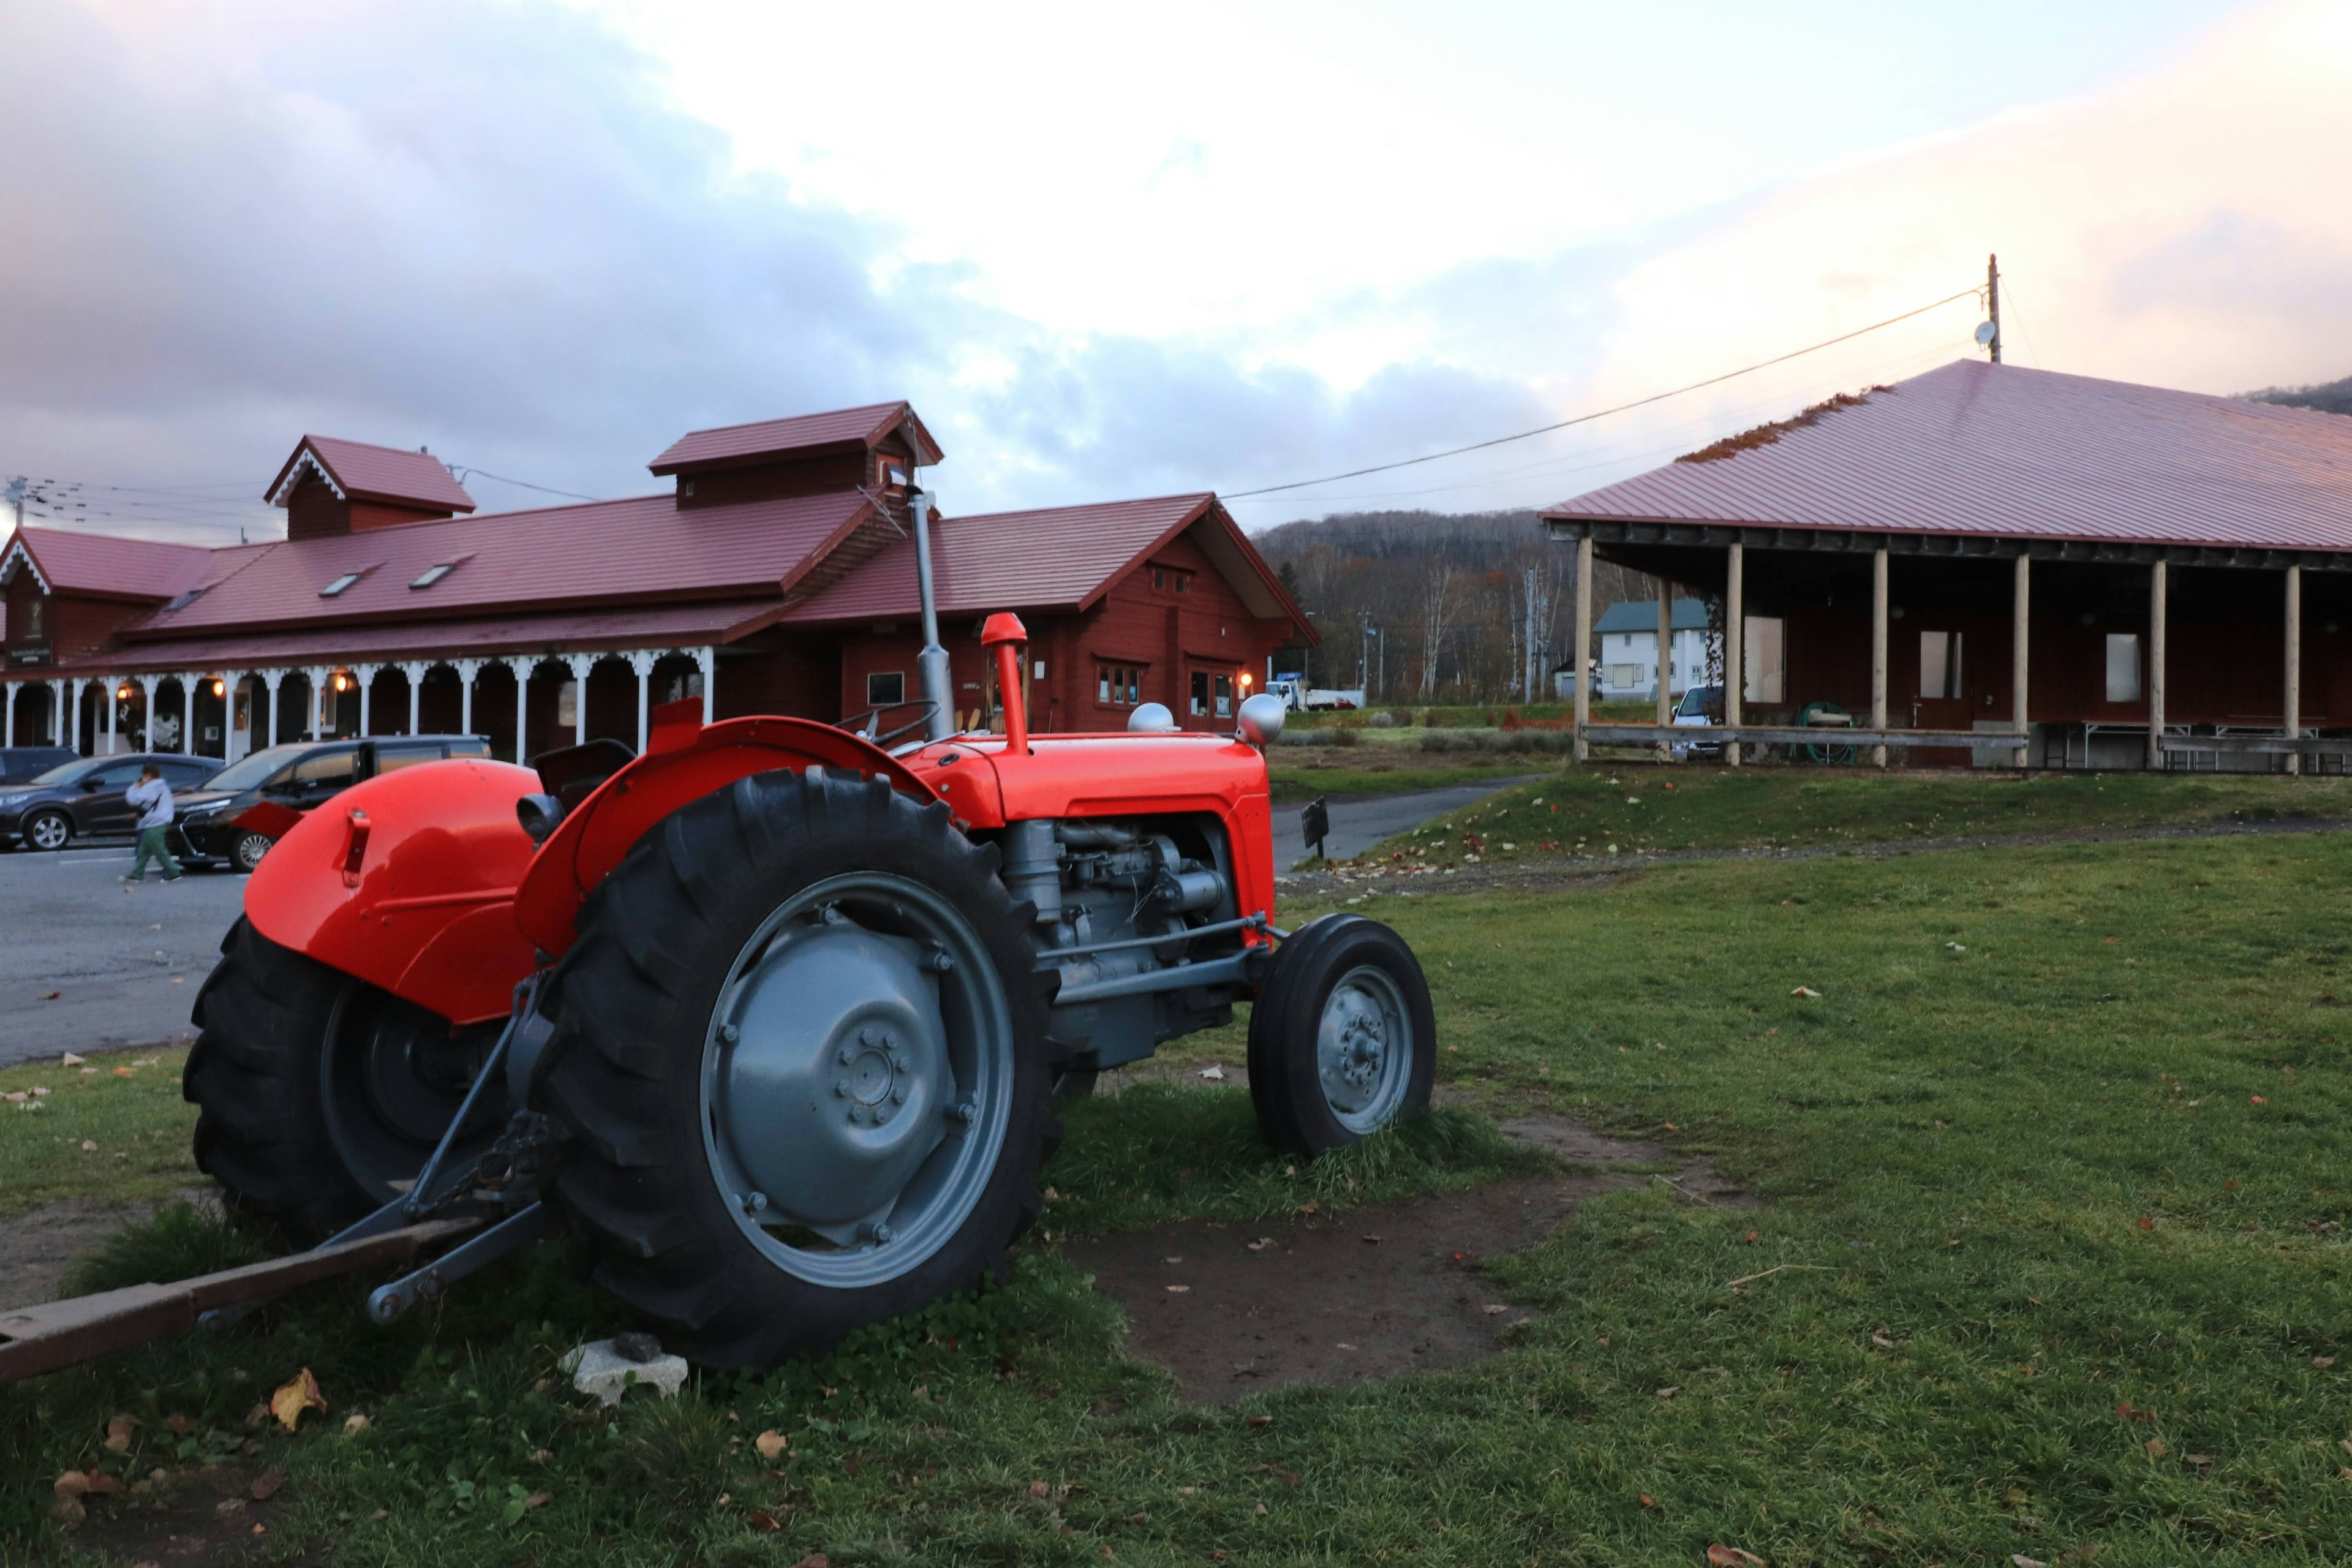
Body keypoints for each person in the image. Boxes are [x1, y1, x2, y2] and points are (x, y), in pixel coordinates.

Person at [124, 763, 183, 883]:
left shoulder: (151, 786)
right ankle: (137, 874)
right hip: (158, 821)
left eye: (143, 776)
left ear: (148, 775)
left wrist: (133, 787)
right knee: (144, 850)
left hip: (155, 822)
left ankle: (174, 872)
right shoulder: (161, 786)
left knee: (158, 849)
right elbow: (149, 805)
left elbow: (133, 800)